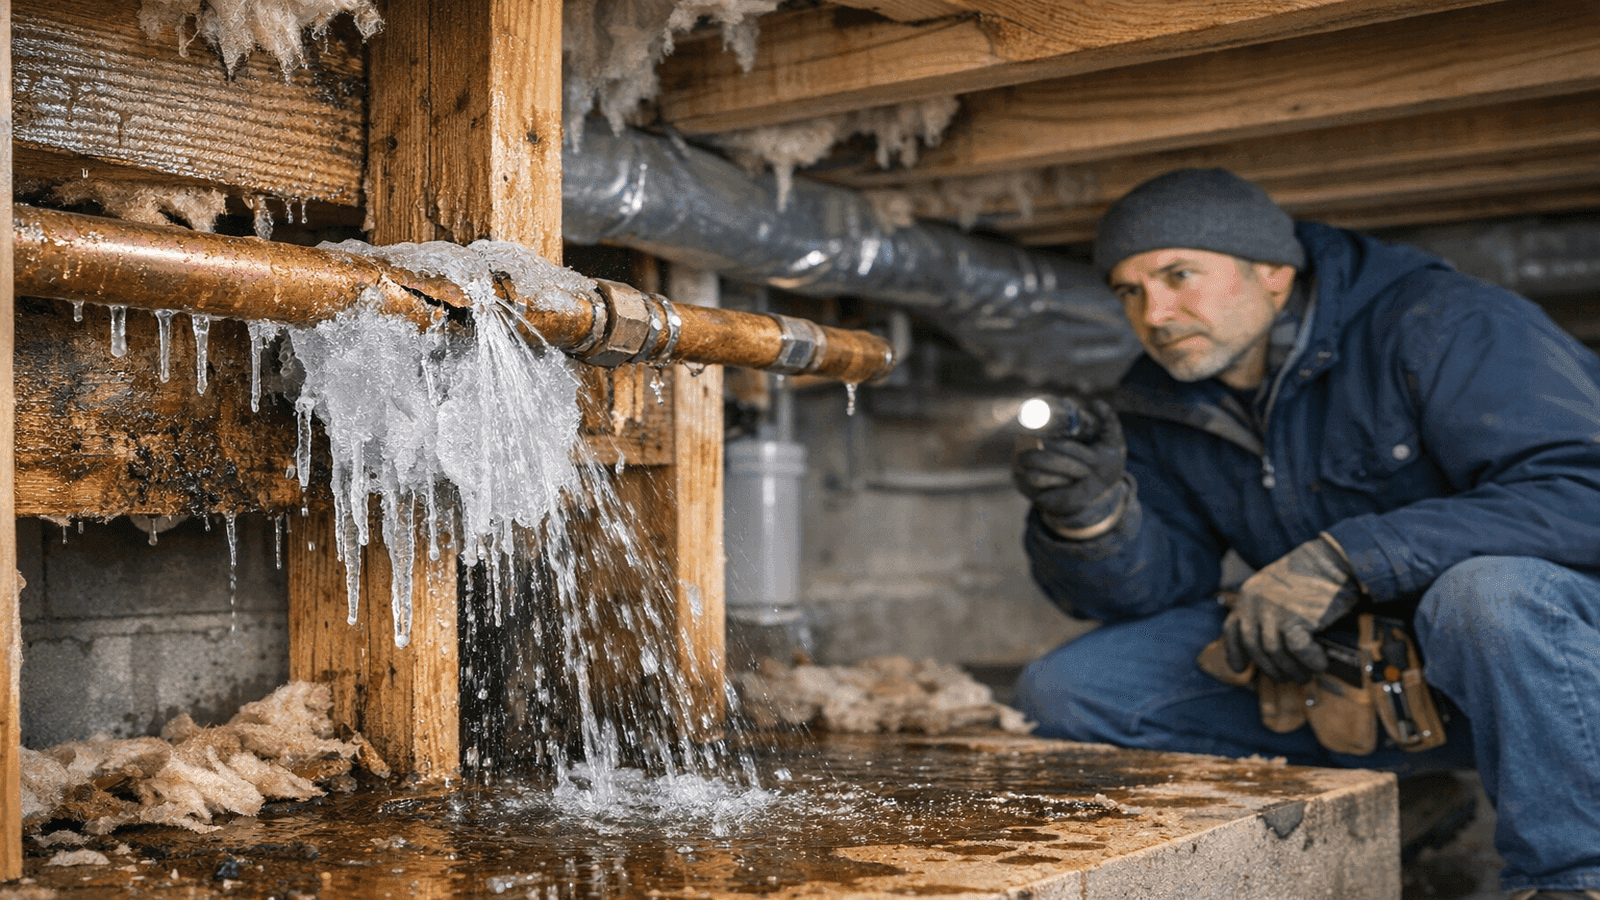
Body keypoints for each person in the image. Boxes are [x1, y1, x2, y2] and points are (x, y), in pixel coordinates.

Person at [1010, 168, 1600, 898]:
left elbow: (1586, 489)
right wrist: (1092, 519)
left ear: (1274, 275)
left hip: (1553, 675)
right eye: (1129, 290)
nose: (1155, 313)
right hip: (1377, 680)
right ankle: (1381, 810)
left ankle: (1573, 877)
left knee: (1488, 596)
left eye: (1178, 275)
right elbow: (1160, 590)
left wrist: (1349, 559)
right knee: (1074, 691)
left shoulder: (1441, 322)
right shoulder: (1158, 399)